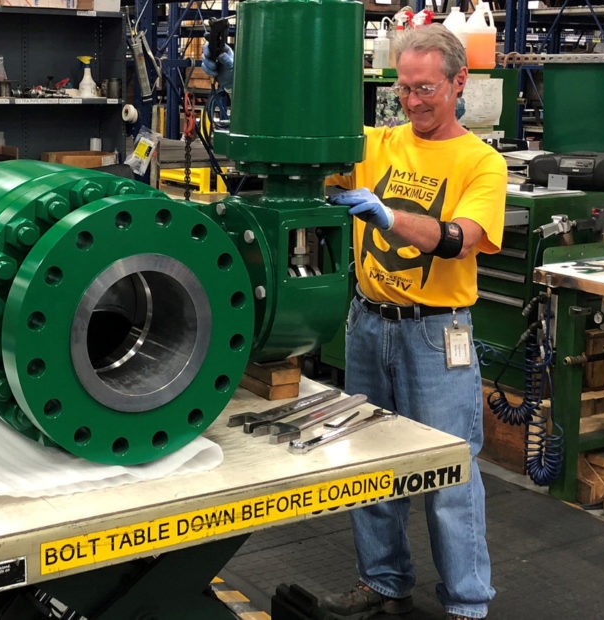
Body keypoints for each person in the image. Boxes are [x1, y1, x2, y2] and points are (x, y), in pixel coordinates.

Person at [205, 24, 506, 620]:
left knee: (448, 471)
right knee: (369, 464)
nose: (414, 102)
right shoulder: (380, 144)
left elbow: (458, 240)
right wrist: (244, 77)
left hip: (434, 333)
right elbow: (306, 127)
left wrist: (384, 215)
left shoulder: (481, 163)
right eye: (405, 90)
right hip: (367, 323)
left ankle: (468, 605)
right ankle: (384, 581)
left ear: (459, 81)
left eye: (426, 89)